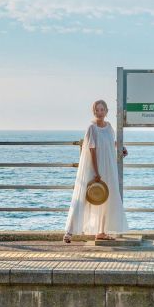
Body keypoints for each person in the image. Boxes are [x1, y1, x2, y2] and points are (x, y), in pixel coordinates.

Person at [64, 100, 129, 241]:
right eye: (97, 110)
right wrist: (96, 172)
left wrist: (121, 148)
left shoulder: (109, 126)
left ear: (106, 111)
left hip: (108, 166)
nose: (100, 113)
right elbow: (91, 151)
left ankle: (101, 232)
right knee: (82, 197)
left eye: (102, 110)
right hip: (93, 167)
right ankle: (69, 231)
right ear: (94, 112)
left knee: (106, 197)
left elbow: (112, 142)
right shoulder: (91, 128)